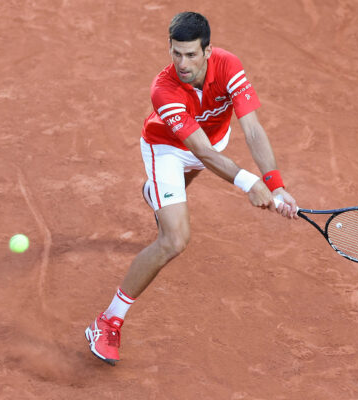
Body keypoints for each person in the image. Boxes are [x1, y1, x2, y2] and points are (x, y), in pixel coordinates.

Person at [85, 11, 298, 366]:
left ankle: (159, 195)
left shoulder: (230, 66)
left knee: (179, 190)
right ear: (170, 49)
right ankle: (107, 321)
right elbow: (199, 151)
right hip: (168, 148)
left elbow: (253, 130)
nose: (183, 63)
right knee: (174, 239)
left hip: (212, 143)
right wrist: (249, 182)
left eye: (191, 54)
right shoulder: (163, 88)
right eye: (176, 53)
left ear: (208, 51)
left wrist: (276, 186)